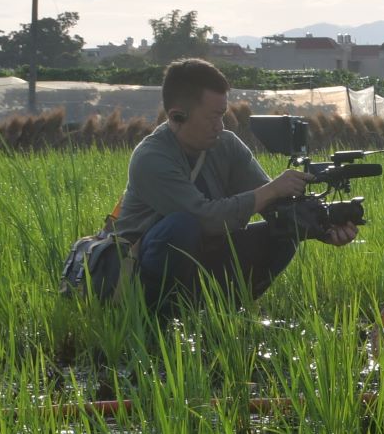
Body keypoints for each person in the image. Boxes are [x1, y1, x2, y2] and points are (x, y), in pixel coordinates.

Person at [109, 59, 357, 316]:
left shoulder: (225, 144)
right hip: (140, 267)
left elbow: (276, 208)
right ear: (177, 116)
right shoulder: (152, 158)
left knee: (282, 232)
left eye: (223, 115)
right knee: (181, 226)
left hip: (201, 252)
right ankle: (161, 320)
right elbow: (205, 218)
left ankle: (222, 315)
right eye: (213, 117)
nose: (221, 125)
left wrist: (324, 229)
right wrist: (272, 189)